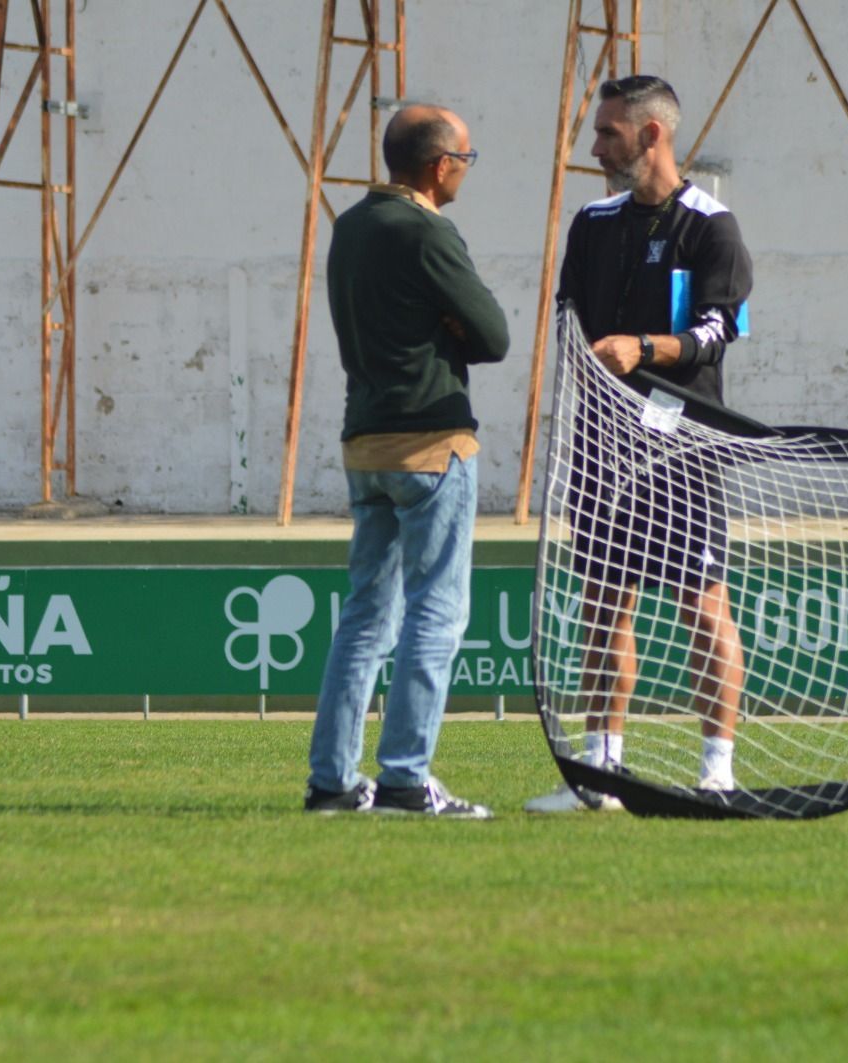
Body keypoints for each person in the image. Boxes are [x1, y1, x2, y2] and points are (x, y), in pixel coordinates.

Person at [526, 75, 753, 813]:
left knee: (701, 602)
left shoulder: (711, 226)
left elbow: (720, 332)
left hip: (685, 447)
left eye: (608, 134)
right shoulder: (592, 223)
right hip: (604, 447)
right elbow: (566, 318)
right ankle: (601, 777)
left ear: (652, 135)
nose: (594, 148)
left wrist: (644, 348)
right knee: (603, 603)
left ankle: (716, 770)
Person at [305, 104, 509, 818]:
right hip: (431, 441)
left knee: (365, 614)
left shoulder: (351, 225)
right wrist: (447, 322)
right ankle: (404, 777)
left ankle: (331, 779)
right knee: (437, 613)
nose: (465, 171)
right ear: (438, 163)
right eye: (465, 158)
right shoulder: (428, 232)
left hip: (365, 440)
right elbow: (492, 333)